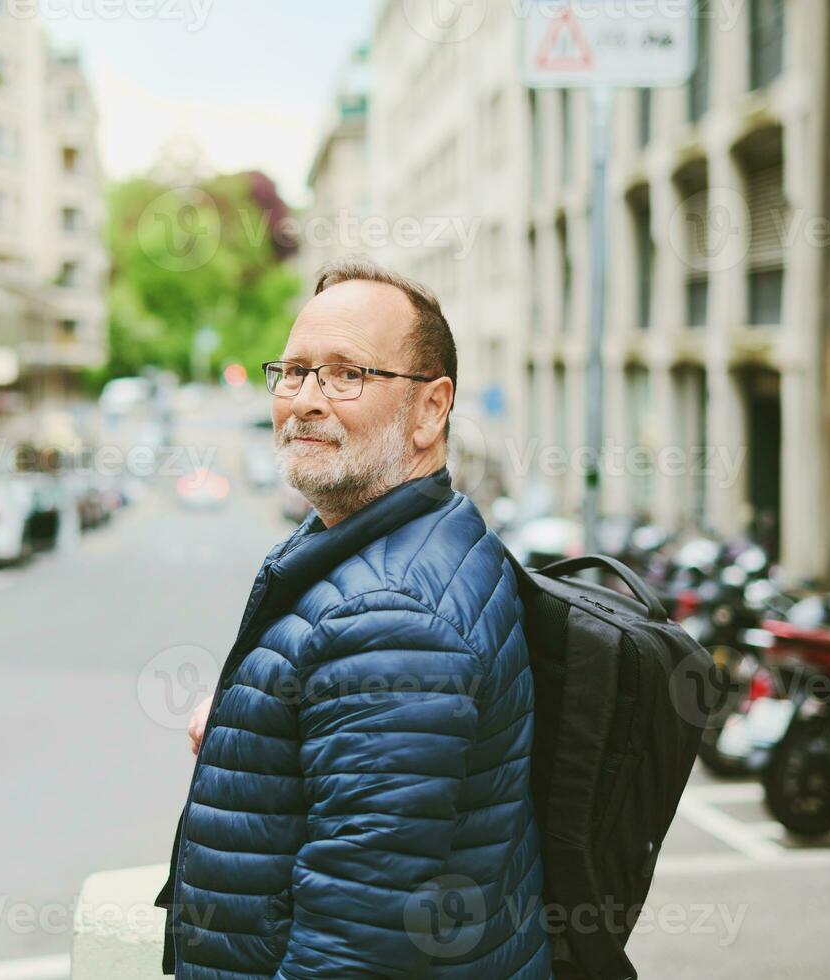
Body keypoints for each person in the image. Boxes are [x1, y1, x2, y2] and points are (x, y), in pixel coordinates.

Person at [155, 258, 551, 978]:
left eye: (346, 374)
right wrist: (263, 709)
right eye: (295, 371)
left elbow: (353, 953)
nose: (305, 398)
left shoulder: (393, 619)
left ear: (431, 410)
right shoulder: (414, 540)